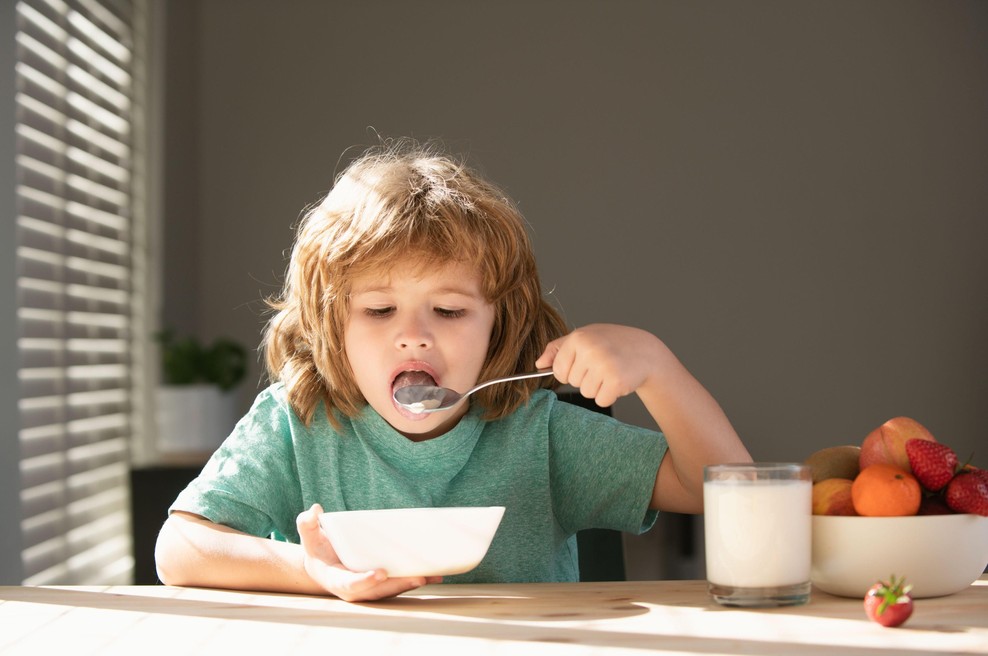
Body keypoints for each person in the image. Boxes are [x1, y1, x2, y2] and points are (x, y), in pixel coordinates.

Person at [154, 139, 751, 602]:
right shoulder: (298, 423)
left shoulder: (537, 433)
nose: (413, 332)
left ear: (501, 322)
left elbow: (726, 491)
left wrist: (657, 368)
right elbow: (178, 549)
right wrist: (313, 570)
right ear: (332, 325)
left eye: (448, 310)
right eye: (380, 309)